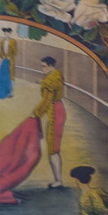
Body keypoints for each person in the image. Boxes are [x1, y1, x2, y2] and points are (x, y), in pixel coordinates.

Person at [34, 55, 65, 187]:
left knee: (53, 148)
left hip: (54, 111)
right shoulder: (57, 75)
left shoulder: (49, 81)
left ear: (51, 66)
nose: (42, 69)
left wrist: (36, 114)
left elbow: (47, 101)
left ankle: (58, 180)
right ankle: (58, 179)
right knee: (54, 147)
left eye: (44, 66)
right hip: (60, 108)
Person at [0, 30, 18, 100]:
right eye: (5, 32)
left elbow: (15, 52)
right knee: (2, 75)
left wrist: (10, 56)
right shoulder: (2, 41)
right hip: (4, 60)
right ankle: (2, 91)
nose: (6, 34)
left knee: (10, 76)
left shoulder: (13, 41)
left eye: (7, 32)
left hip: (10, 61)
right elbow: (1, 51)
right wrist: (2, 56)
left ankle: (11, 91)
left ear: (10, 33)